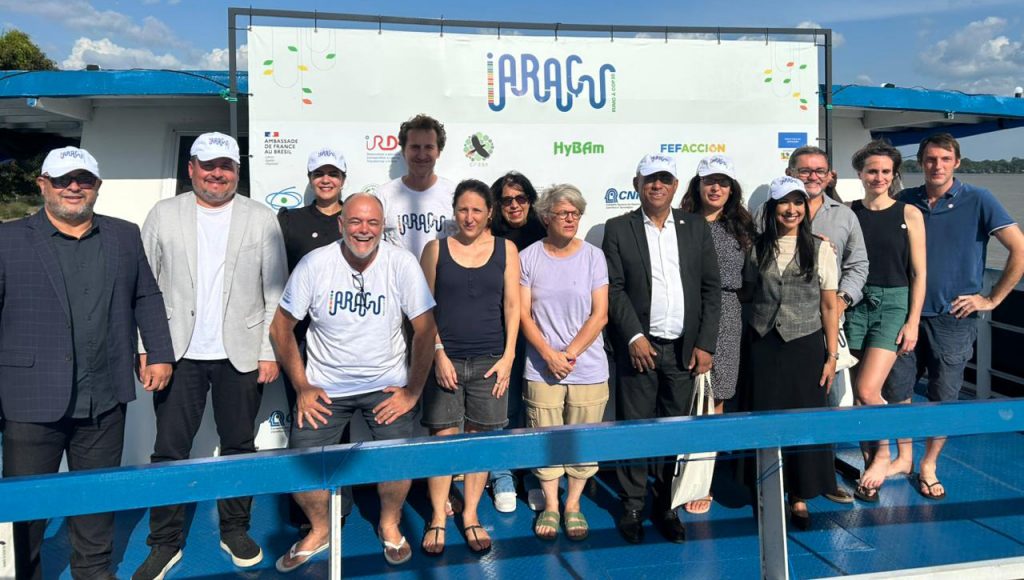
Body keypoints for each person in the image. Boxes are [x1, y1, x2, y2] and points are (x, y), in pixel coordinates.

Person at [0, 147, 173, 580]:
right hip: (30, 399)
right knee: (27, 507)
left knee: (95, 501)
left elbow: (146, 296)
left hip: (104, 395)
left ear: (97, 186)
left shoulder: (125, 235)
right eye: (62, 180)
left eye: (83, 179)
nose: (73, 187)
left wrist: (160, 352)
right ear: (42, 184)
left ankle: (94, 572)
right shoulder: (7, 239)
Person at [134, 132, 288, 579]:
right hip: (176, 355)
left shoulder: (261, 218)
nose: (217, 173)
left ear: (237, 171)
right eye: (208, 165)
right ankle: (164, 543)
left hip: (240, 354)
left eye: (226, 165)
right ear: (191, 169)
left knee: (239, 447)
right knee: (168, 451)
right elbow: (143, 289)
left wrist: (267, 350)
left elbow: (274, 292)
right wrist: (149, 349)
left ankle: (235, 529)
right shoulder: (163, 215)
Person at [270, 193, 437, 571]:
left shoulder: (401, 263)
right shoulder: (316, 264)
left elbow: (425, 331)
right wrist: (302, 386)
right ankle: (320, 529)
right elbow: (281, 327)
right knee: (301, 463)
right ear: (341, 225)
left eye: (373, 223)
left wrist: (412, 392)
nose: (364, 231)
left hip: (387, 385)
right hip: (326, 387)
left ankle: (390, 523)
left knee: (395, 460)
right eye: (356, 222)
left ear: (382, 227)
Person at [884, 133, 1024, 500]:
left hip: (953, 318)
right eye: (930, 159)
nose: (937, 166)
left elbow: (1018, 249)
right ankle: (904, 457)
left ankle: (928, 464)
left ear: (957, 163)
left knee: (942, 397)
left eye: (945, 159)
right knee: (897, 393)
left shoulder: (979, 199)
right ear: (920, 162)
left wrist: (991, 298)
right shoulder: (905, 200)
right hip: (905, 315)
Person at [603, 153, 721, 544]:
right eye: (650, 179)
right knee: (635, 430)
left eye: (665, 179)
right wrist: (634, 337)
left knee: (675, 431)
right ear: (637, 183)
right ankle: (634, 504)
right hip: (640, 348)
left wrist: (705, 343)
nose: (657, 185)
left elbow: (710, 288)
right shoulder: (618, 229)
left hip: (684, 351)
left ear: (674, 186)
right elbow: (615, 289)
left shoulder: (695, 227)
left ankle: (666, 504)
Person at [419, 179, 520, 555]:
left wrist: (509, 356)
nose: (469, 216)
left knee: (480, 443)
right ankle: (438, 518)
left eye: (477, 209)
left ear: (489, 212)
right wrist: (438, 352)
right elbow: (423, 308)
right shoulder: (435, 250)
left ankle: (472, 515)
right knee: (442, 444)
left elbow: (513, 306)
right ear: (454, 210)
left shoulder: (507, 250)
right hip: (443, 362)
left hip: (491, 363)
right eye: (463, 209)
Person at [745, 176, 840, 530]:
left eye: (798, 203)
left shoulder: (821, 248)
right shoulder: (756, 248)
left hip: (805, 344)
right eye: (784, 203)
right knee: (765, 418)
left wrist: (831, 356)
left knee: (803, 420)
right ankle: (767, 487)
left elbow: (829, 306)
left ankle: (799, 493)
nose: (792, 209)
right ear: (772, 209)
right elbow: (749, 293)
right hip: (763, 344)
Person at [520, 184, 609, 542]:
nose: (570, 219)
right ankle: (552, 506)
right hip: (541, 368)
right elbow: (522, 313)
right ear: (546, 218)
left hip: (587, 367)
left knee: (582, 442)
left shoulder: (593, 256)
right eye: (563, 213)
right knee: (546, 441)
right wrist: (548, 355)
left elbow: (600, 314)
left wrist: (568, 354)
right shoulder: (528, 257)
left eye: (575, 213)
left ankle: (573, 504)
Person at [783, 145, 869, 504]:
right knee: (789, 403)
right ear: (791, 173)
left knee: (830, 402)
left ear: (829, 176)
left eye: (820, 171)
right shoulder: (771, 212)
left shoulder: (845, 216)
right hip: (787, 328)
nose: (813, 176)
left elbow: (859, 265)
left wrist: (842, 300)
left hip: (829, 326)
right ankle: (786, 480)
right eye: (805, 170)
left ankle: (823, 476)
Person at [844, 140, 926, 502]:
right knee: (860, 398)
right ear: (860, 174)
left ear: (894, 175)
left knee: (866, 389)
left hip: (893, 304)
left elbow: (920, 274)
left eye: (885, 171)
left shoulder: (909, 213)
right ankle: (868, 463)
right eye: (872, 170)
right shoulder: (849, 212)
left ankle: (882, 456)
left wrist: (913, 322)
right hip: (856, 304)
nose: (878, 177)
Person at [677, 154, 756, 515]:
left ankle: (702, 480)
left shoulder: (742, 227)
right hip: (684, 312)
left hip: (726, 315)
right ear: (698, 185)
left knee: (716, 397)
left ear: (732, 189)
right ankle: (677, 475)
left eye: (723, 182)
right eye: (709, 181)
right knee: (682, 396)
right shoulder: (680, 223)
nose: (716, 187)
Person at [276, 146, 347, 529]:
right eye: (319, 173)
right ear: (309, 178)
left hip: (346, 341)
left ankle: (341, 505)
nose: (326, 179)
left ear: (343, 180)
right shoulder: (290, 221)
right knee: (305, 423)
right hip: (302, 343)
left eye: (333, 173)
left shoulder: (357, 218)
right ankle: (306, 511)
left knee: (343, 423)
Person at [487, 170, 546, 513]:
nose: (514, 205)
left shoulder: (546, 231)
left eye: (520, 198)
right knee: (503, 408)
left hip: (541, 333)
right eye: (506, 199)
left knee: (535, 407)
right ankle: (502, 475)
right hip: (501, 332)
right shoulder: (488, 236)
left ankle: (535, 474)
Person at [378, 114, 457, 259]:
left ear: (438, 151)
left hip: (443, 280)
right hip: (397, 280)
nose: (421, 155)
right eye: (415, 147)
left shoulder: (454, 194)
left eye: (428, 147)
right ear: (403, 151)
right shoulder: (384, 195)